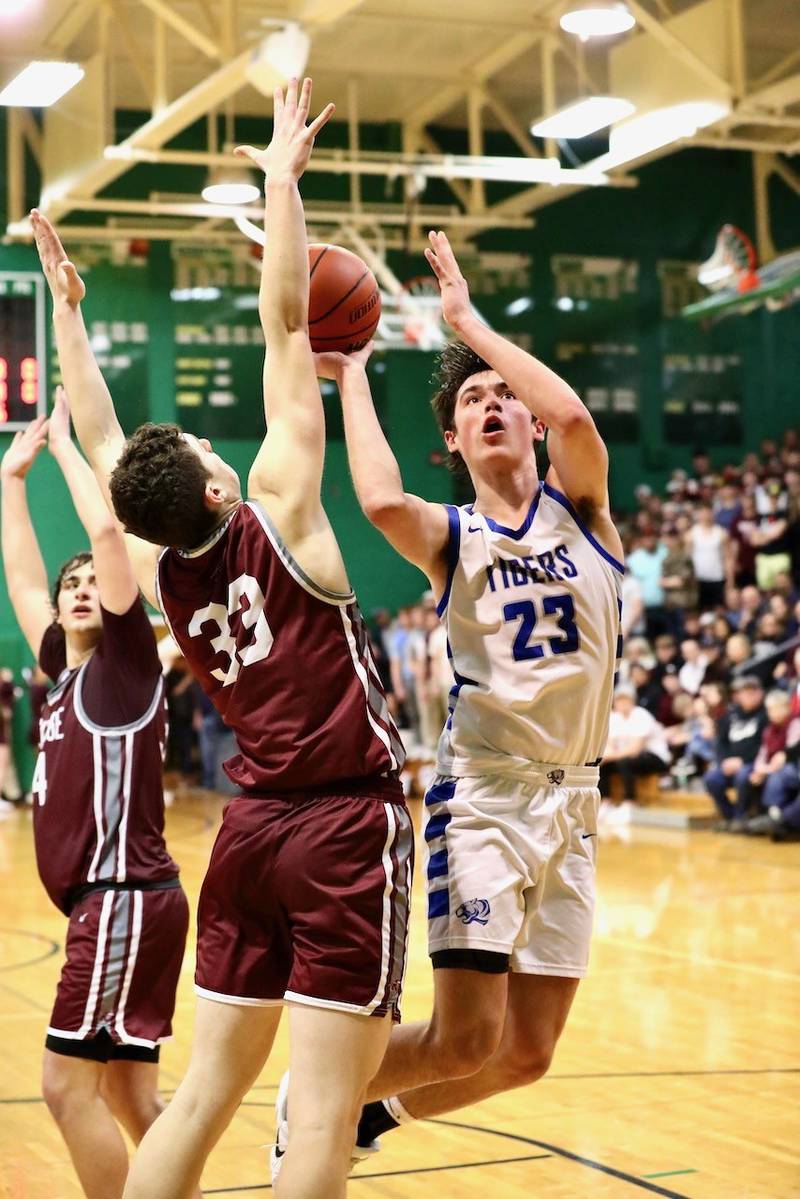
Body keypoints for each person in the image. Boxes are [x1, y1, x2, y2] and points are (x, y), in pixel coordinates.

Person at [32, 77, 412, 1199]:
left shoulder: (153, 565)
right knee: (325, 1117)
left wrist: (67, 318)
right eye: (205, 438)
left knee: (198, 1097)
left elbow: (102, 438)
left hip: (247, 833)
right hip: (341, 821)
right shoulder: (280, 505)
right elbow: (286, 318)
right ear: (211, 476)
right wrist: (282, 183)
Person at [316, 230, 623, 1157]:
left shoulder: (588, 514)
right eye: (471, 402)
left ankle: (372, 1108)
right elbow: (376, 501)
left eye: (504, 396)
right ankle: (315, 1103)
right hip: (484, 797)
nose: (493, 404)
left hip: (575, 799)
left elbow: (572, 416)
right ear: (451, 440)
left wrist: (466, 325)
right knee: (464, 1036)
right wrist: (352, 377)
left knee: (525, 1054)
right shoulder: (453, 537)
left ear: (526, 421)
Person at [0, 393, 191, 1199]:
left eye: (90, 582)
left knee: (62, 1086)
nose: (77, 586)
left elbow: (108, 536)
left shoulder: (125, 667)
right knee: (127, 1094)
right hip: (126, 903)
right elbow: (21, 576)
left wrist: (74, 454)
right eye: (70, 582)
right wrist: (12, 479)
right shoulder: (63, 676)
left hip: (121, 899)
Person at [704, 675, 769, 829]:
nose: (747, 695)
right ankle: (729, 816)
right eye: (744, 692)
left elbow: (765, 745)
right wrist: (724, 761)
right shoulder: (730, 715)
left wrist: (743, 761)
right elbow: (721, 741)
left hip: (754, 762)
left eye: (751, 692)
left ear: (760, 693)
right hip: (730, 763)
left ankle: (741, 817)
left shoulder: (765, 715)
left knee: (743, 775)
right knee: (711, 778)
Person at [599, 685, 670, 798]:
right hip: (625, 756)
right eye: (618, 700)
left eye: (625, 699)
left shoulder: (641, 715)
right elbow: (610, 745)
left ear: (632, 700)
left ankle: (630, 801)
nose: (621, 703)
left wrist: (609, 756)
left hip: (655, 757)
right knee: (602, 765)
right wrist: (605, 758)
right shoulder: (614, 718)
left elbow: (634, 750)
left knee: (624, 762)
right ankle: (606, 801)